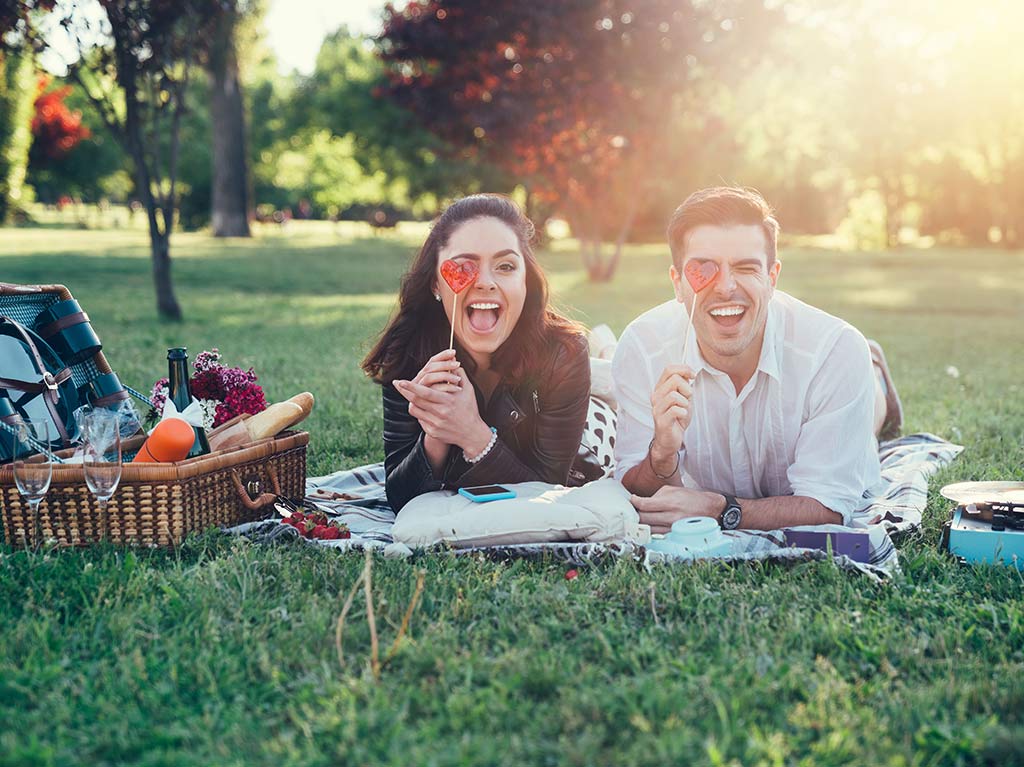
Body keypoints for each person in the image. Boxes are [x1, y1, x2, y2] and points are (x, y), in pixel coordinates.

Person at [613, 186, 902, 533]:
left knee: (866, 425)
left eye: (746, 267)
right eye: (705, 269)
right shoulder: (643, 348)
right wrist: (661, 453)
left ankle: (873, 374)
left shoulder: (834, 351)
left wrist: (720, 509)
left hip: (841, 367)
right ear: (677, 283)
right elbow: (634, 490)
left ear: (772, 277)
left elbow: (829, 507)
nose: (725, 287)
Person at [362, 194, 591, 512]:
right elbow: (401, 498)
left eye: (505, 266)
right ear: (435, 284)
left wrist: (473, 435)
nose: (485, 282)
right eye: (464, 267)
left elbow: (547, 491)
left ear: (525, 281)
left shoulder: (564, 354)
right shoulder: (407, 351)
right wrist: (438, 432)